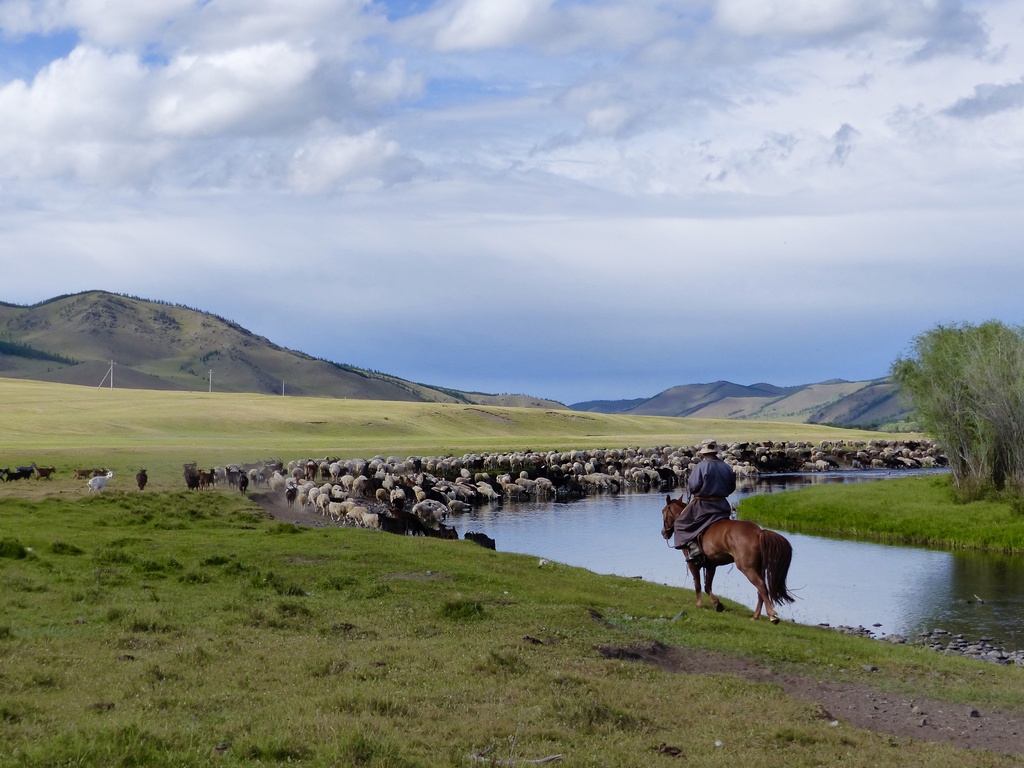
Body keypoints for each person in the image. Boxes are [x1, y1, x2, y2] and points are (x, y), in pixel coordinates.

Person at [673, 440, 736, 563]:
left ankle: (694, 548)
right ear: (715, 451)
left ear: (704, 453)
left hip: (703, 506)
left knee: (680, 523)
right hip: (722, 505)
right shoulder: (726, 467)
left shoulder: (701, 466)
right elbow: (731, 487)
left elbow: (693, 486)